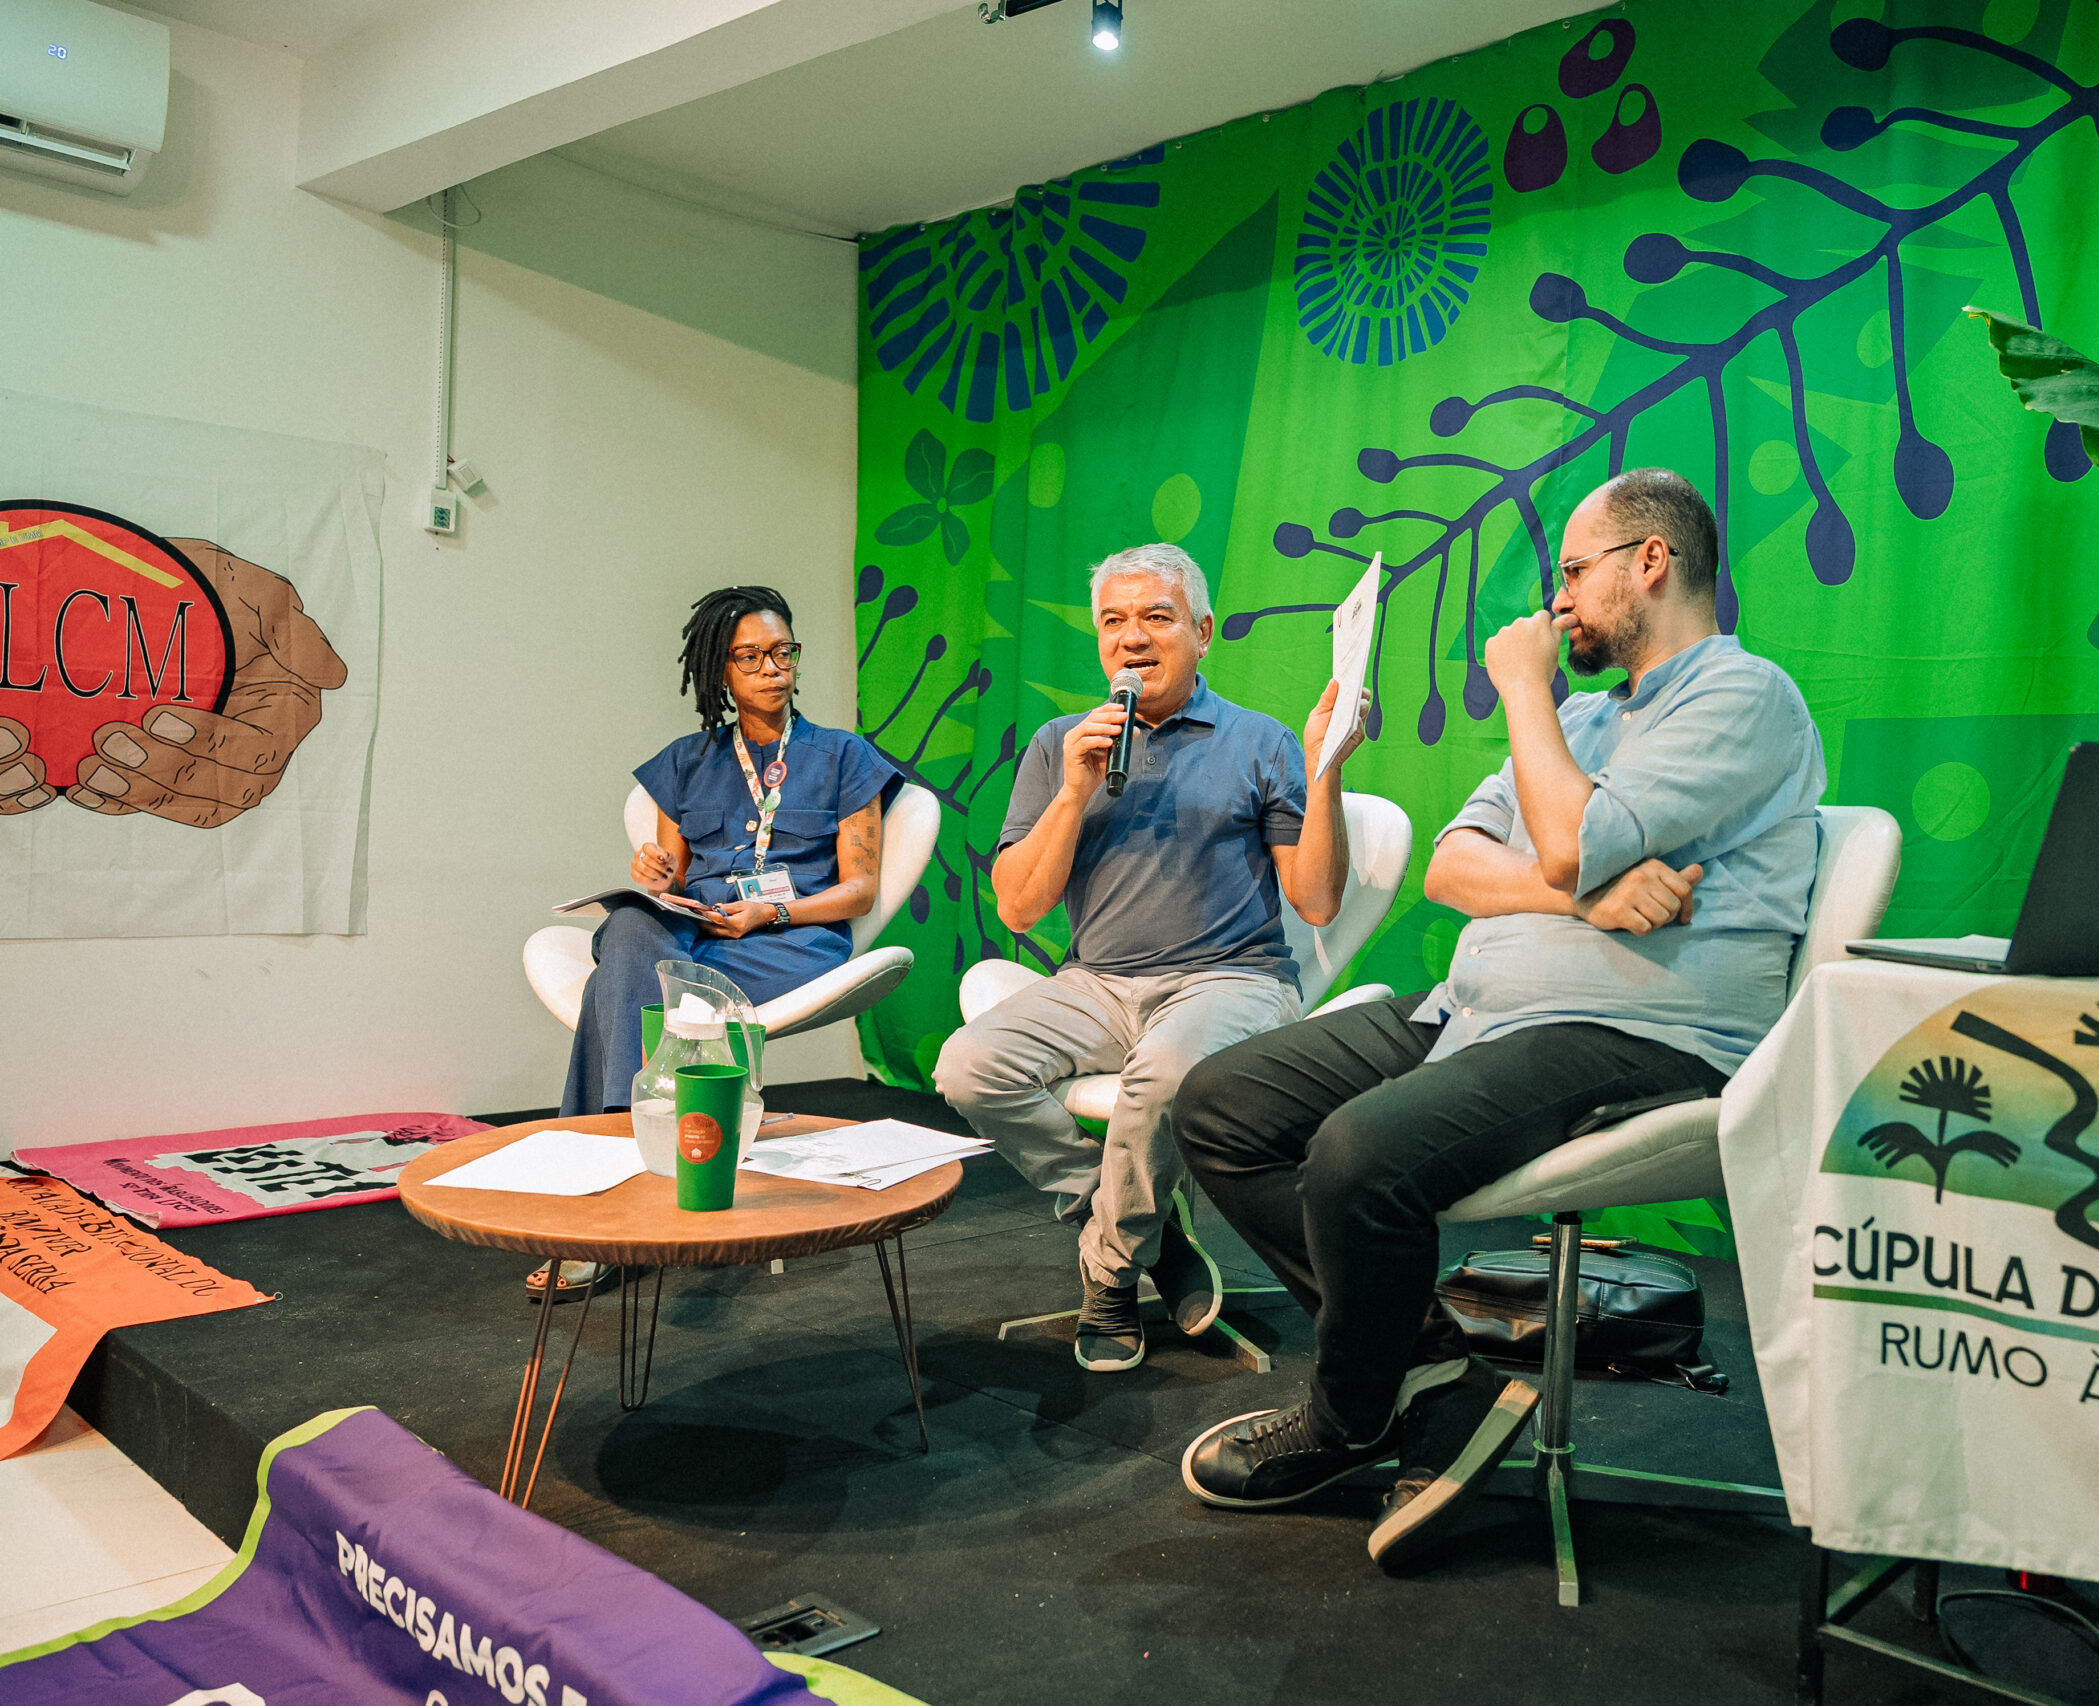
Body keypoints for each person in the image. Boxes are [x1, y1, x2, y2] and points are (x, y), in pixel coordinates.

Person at [1166, 468, 1824, 1570]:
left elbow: (1566, 837)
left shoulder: (1740, 695)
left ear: (1649, 562)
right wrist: (1581, 896)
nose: (1556, 601)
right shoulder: (1580, 720)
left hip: (1641, 1031)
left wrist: (1522, 691)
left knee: (1357, 1155)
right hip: (1474, 1010)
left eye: (1573, 571)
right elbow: (1452, 867)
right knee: (1221, 1104)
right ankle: (1430, 1369)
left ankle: (1350, 1411)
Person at [934, 542, 1359, 1372]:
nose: (1132, 638)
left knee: (1161, 1076)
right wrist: (1073, 791)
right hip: (1095, 983)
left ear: (1203, 632)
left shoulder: (1261, 741)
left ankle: (1111, 1275)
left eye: (1156, 617)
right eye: (1113, 621)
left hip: (1230, 977)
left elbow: (1316, 901)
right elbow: (1018, 907)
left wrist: (1325, 772)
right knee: (968, 1067)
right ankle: (1141, 1227)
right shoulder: (1060, 744)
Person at [550, 586, 897, 1295]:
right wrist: (652, 873)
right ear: (721, 673)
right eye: (751, 657)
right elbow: (672, 877)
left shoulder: (844, 755)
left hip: (788, 940)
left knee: (617, 981)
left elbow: (859, 889)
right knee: (632, 925)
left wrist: (770, 913)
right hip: (694, 932)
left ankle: (604, 1187)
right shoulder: (685, 761)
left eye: (783, 652)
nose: (773, 668)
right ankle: (631, 1172)